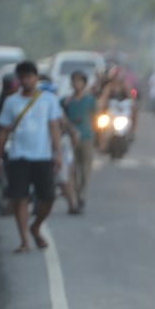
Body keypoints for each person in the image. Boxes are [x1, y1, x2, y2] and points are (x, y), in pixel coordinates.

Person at [0, 60, 65, 253]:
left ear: (36, 77)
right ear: (19, 79)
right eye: (23, 77)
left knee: (48, 198)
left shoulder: (48, 100)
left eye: (30, 77)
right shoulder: (11, 102)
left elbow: (54, 128)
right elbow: (3, 133)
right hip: (19, 157)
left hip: (42, 156)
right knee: (20, 199)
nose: (27, 81)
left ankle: (36, 226)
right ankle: (24, 240)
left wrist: (58, 154)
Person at [62, 70, 97, 213]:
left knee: (85, 170)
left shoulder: (90, 100)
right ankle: (75, 195)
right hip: (70, 140)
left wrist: (100, 139)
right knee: (72, 170)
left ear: (84, 83)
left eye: (79, 81)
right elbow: (61, 118)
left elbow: (96, 119)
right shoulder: (66, 101)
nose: (77, 84)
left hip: (87, 138)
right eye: (74, 81)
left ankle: (82, 194)